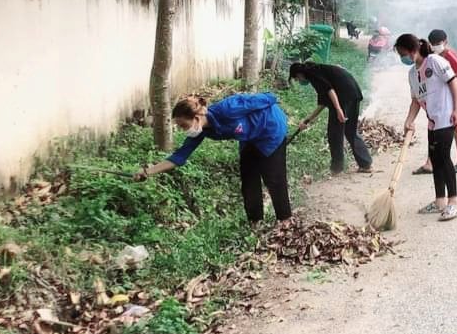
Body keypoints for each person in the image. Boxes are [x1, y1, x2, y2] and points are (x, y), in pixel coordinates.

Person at [134, 93, 292, 223]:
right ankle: (255, 222)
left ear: (197, 116)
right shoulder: (201, 130)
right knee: (249, 180)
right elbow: (179, 157)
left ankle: (285, 222)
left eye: (183, 125)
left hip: (271, 129)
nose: (183, 130)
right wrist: (147, 172)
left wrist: (273, 99)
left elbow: (268, 98)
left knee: (274, 178)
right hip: (249, 138)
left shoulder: (228, 108)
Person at [395, 33, 457, 221]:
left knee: (444, 158)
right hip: (432, 121)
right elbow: (416, 101)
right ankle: (440, 201)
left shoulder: (434, 61)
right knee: (435, 159)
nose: (402, 58)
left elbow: (454, 82)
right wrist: (409, 120)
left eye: (403, 53)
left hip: (446, 117)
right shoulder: (412, 74)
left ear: (413, 50)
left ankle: (453, 202)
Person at [289, 61, 372, 175]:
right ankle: (365, 164)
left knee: (334, 133)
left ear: (299, 74)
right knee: (350, 131)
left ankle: (336, 169)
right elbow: (323, 101)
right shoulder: (318, 70)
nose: (299, 81)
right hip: (353, 93)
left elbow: (330, 90)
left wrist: (338, 110)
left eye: (297, 79)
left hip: (343, 97)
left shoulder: (311, 73)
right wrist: (307, 120)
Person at [412, 28, 457, 176]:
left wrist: (450, 80)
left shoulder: (448, 54)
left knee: (455, 127)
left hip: (449, 97)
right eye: (433, 43)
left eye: (438, 43)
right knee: (433, 128)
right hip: (438, 99)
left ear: (445, 42)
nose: (435, 45)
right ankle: (430, 163)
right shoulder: (432, 57)